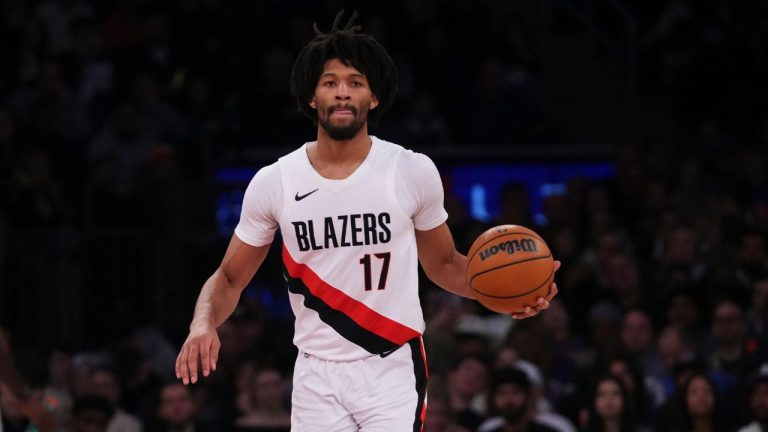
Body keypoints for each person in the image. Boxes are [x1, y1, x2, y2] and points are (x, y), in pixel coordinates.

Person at [174, 10, 559, 431]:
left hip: (391, 362)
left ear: (373, 98)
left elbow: (446, 265)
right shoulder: (275, 181)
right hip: (316, 372)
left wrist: (509, 293)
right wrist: (202, 322)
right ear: (311, 97)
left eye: (355, 83)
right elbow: (229, 278)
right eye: (330, 83)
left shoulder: (410, 170)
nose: (342, 93)